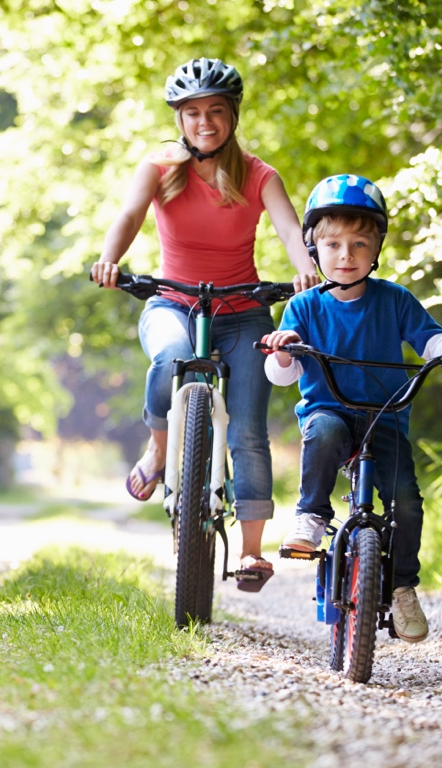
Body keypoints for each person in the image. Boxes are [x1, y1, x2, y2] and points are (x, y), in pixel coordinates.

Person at [91, 57, 319, 591]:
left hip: (243, 315)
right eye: (192, 113)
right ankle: (159, 444)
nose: (205, 122)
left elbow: (289, 228)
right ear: (179, 119)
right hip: (173, 303)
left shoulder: (260, 174)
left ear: (233, 115)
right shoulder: (161, 167)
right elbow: (128, 215)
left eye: (216, 111)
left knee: (247, 431)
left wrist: (305, 263)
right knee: (169, 356)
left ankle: (252, 552)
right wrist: (109, 257)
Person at [262, 174, 442, 642]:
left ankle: (403, 586)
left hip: (384, 415)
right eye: (334, 244)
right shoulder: (303, 307)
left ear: (376, 248)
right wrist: (285, 349)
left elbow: (429, 338)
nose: (346, 255)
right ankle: (312, 514)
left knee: (405, 499)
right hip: (331, 411)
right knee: (321, 433)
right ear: (314, 248)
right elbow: (283, 374)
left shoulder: (395, 300)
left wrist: (438, 347)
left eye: (360, 244)